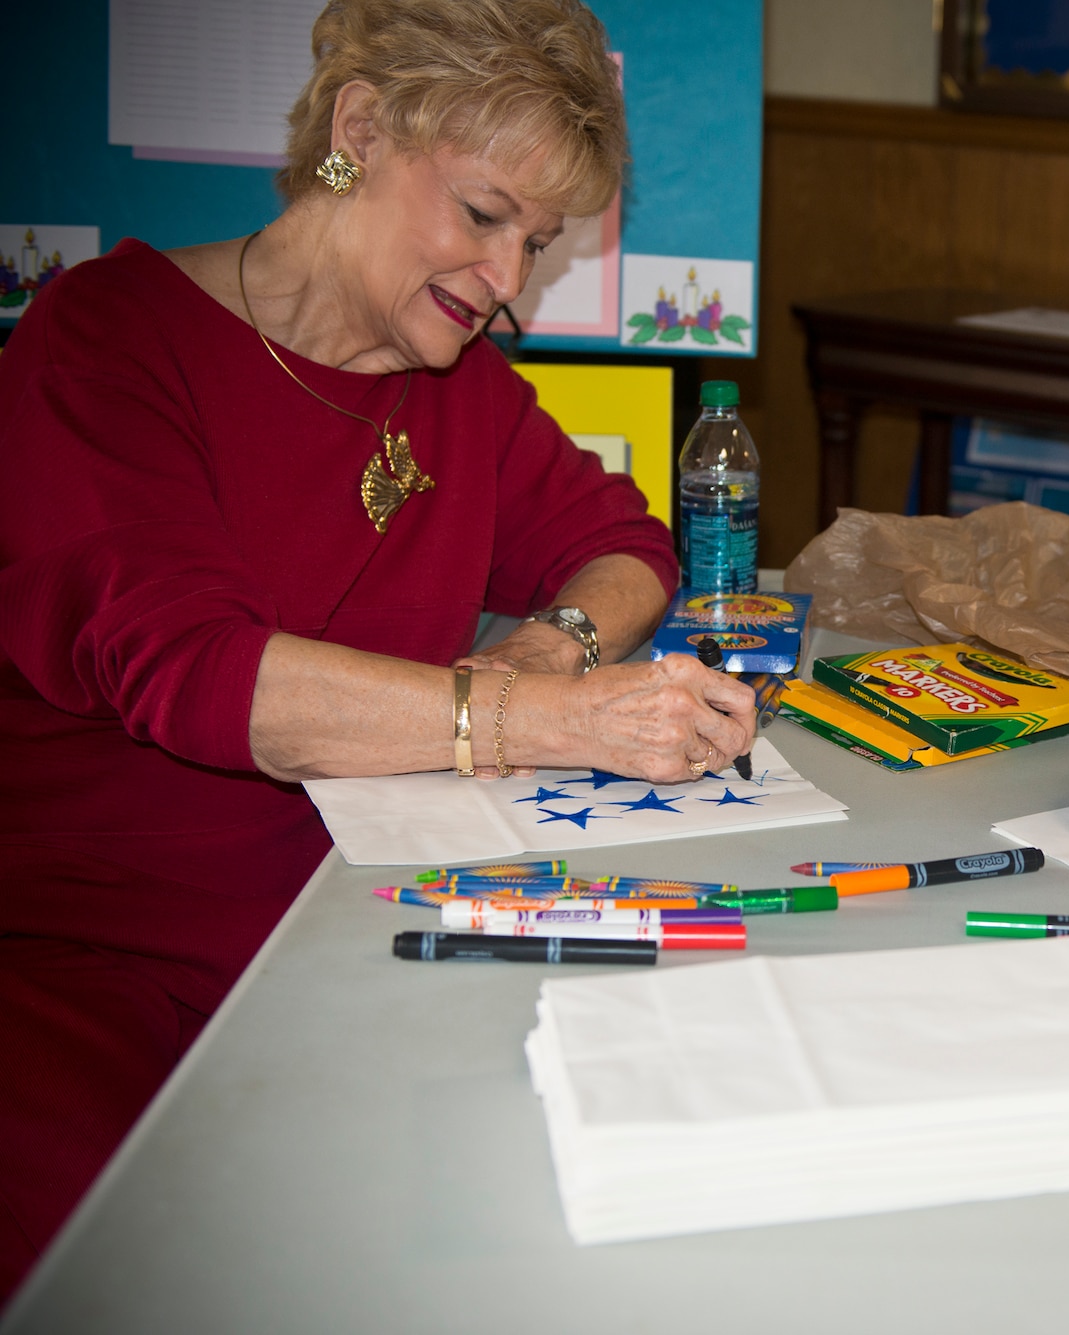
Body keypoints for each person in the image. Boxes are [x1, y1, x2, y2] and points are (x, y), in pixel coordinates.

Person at [0, 0, 751, 1294]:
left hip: (355, 929)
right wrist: (532, 719)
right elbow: (200, 669)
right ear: (359, 131)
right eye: (483, 214)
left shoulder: (451, 383)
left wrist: (547, 650)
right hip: (92, 967)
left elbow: (627, 544)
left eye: (540, 239)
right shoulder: (104, 339)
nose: (510, 279)